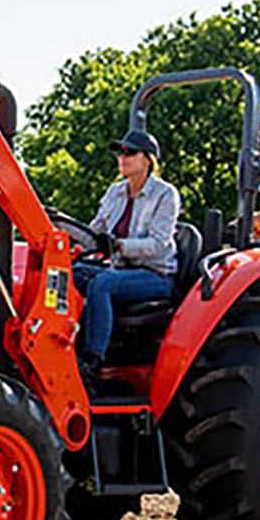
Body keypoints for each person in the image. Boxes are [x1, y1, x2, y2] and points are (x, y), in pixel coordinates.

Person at [72, 127, 181, 375]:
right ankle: (65, 345)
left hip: (155, 276)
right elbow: (94, 234)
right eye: (120, 152)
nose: (122, 157)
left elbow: (158, 244)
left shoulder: (165, 195)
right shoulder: (115, 192)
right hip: (120, 269)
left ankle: (93, 359)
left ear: (147, 159)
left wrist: (120, 245)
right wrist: (65, 234)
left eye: (129, 152)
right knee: (72, 274)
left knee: (102, 284)